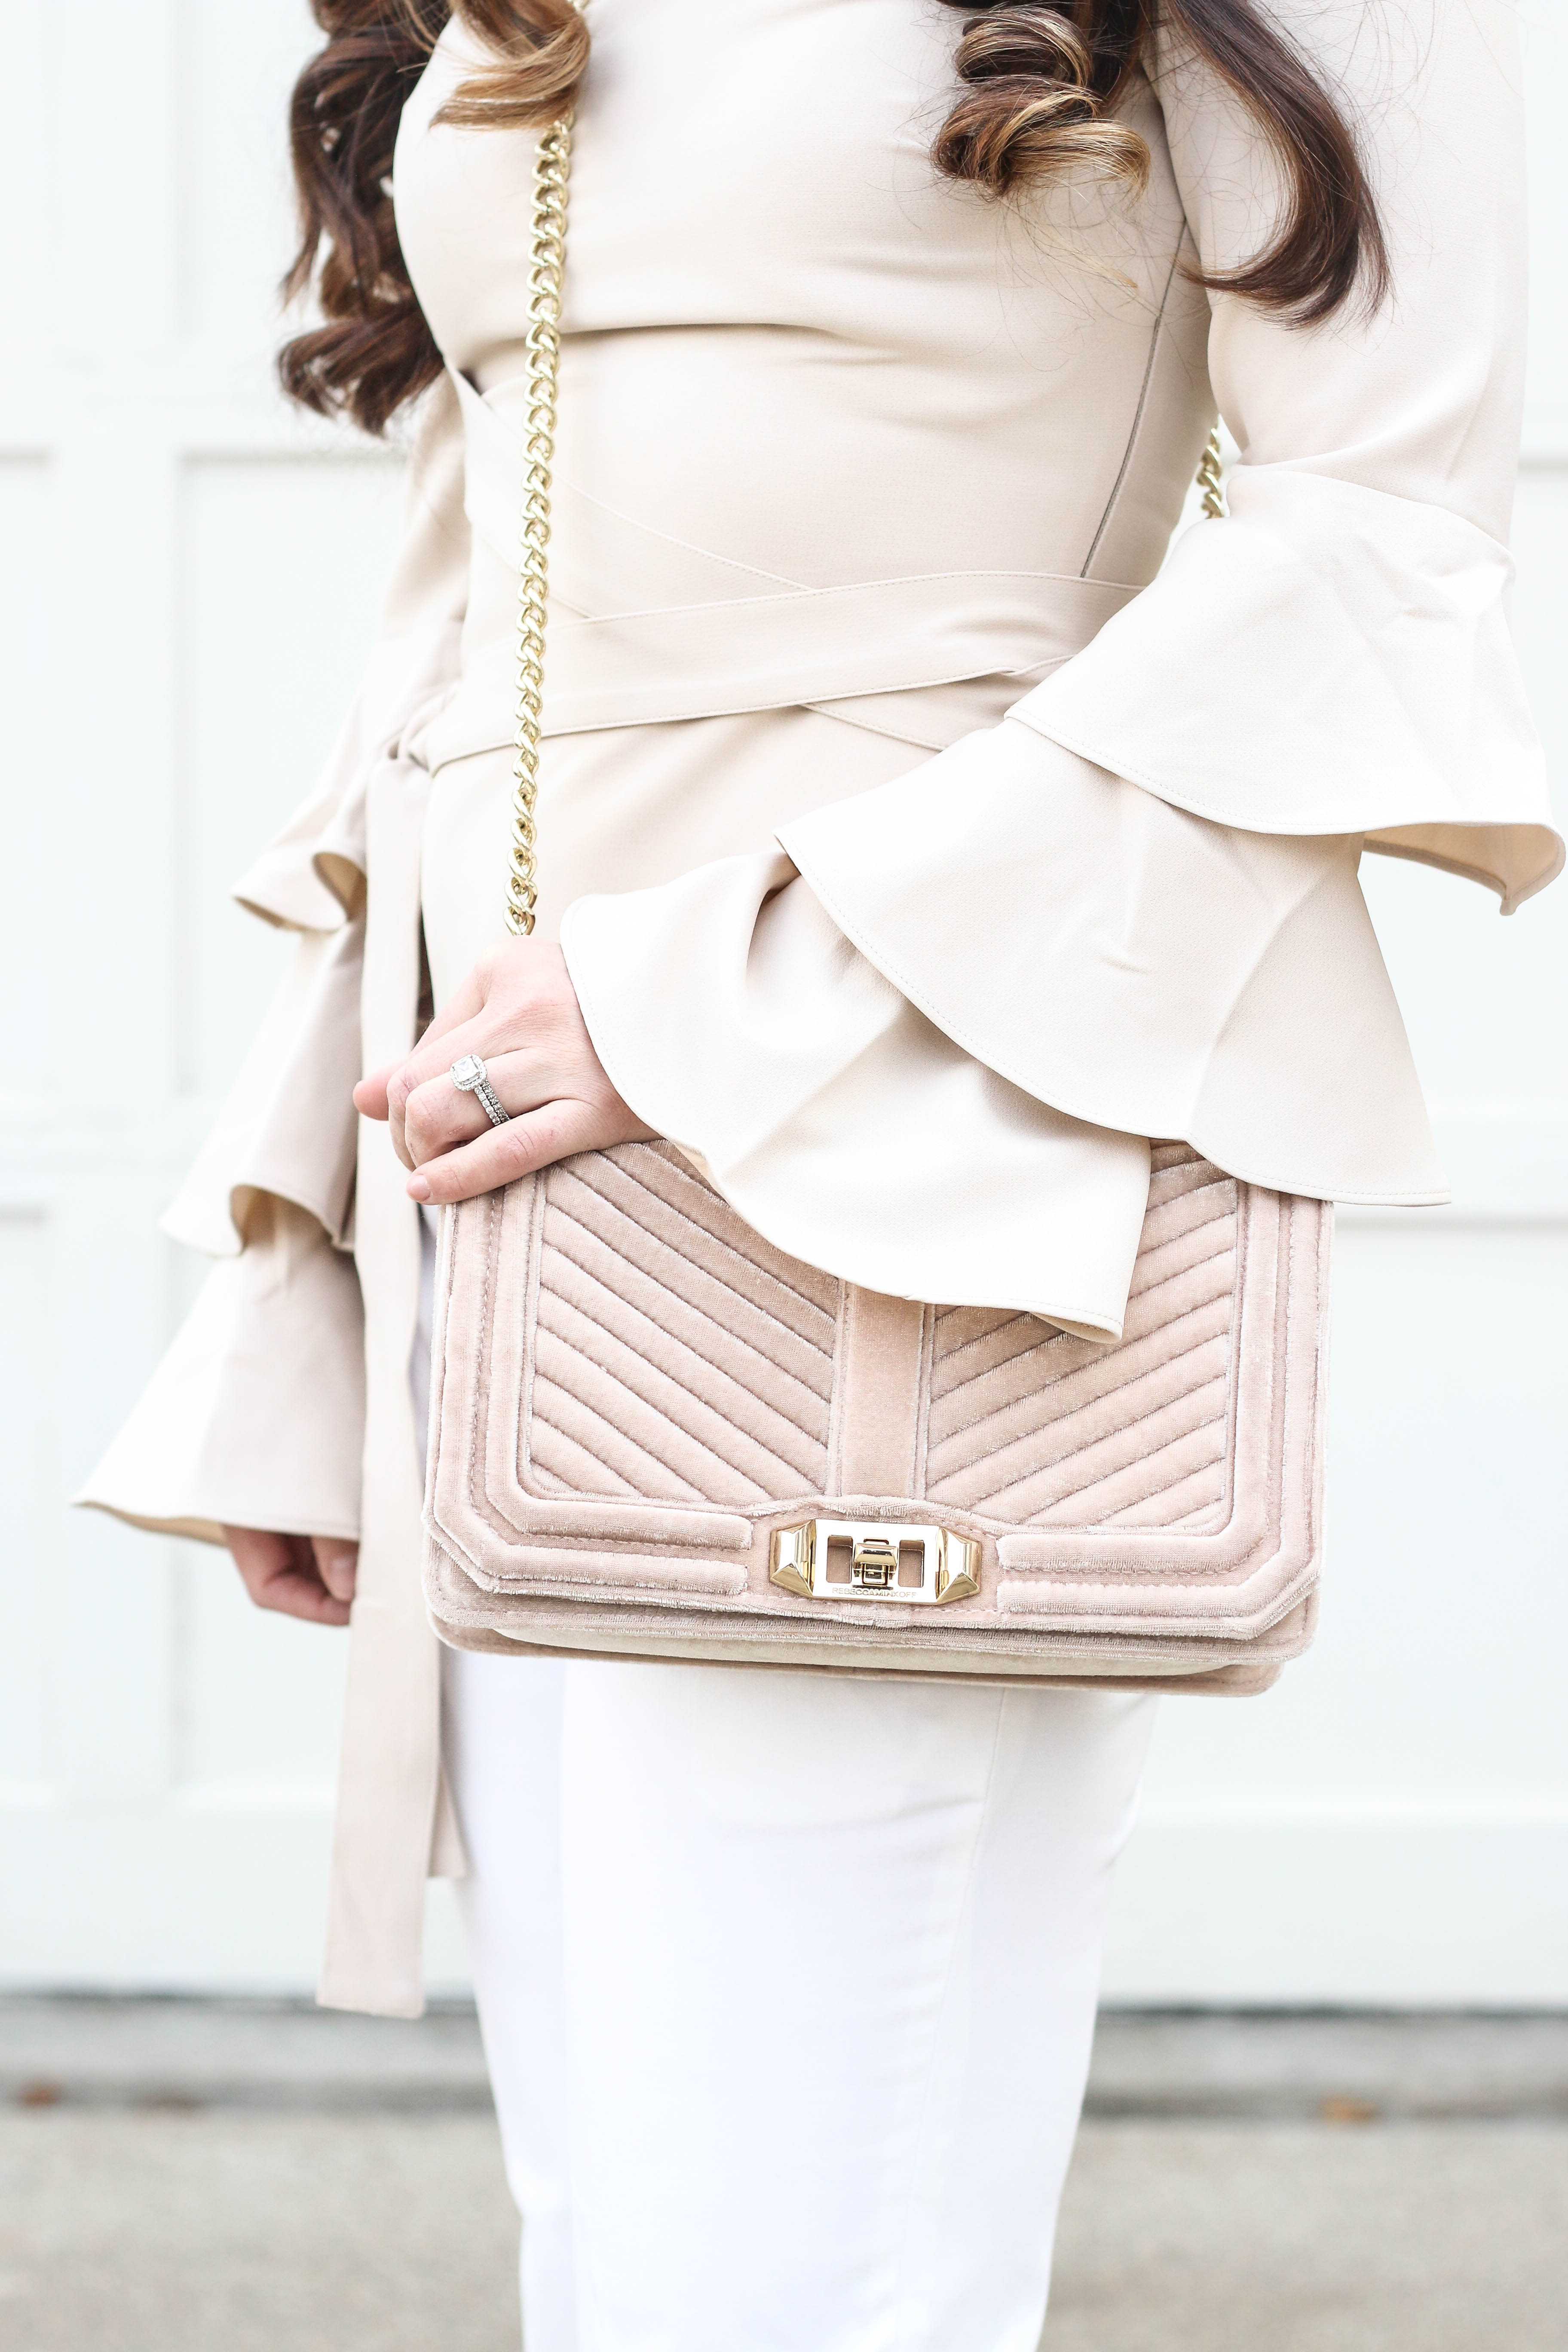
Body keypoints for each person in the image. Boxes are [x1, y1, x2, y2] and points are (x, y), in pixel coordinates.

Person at [81, 2, 1559, 2344]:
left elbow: (1376, 555)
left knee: (782, 2269)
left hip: (904, 1131)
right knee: (634, 2256)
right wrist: (313, 1266)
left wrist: (732, 981)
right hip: (514, 1190)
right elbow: (475, 623)